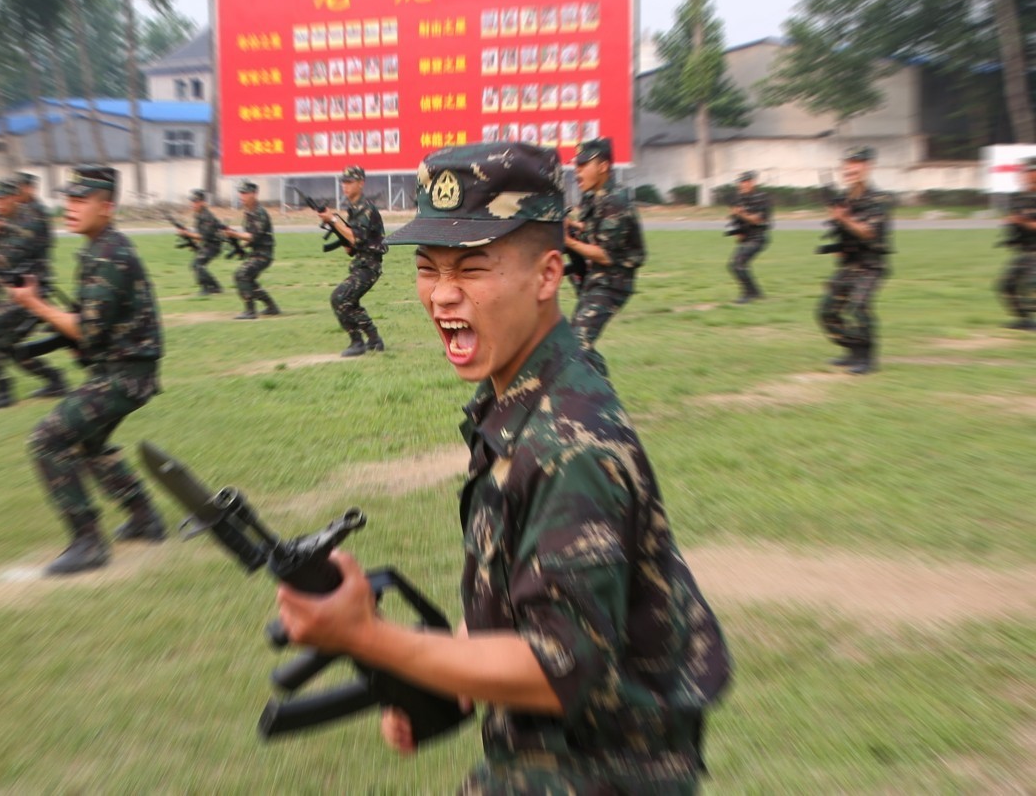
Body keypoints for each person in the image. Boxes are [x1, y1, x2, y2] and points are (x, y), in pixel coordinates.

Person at [276, 142, 731, 793]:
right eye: (428, 268)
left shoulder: (571, 442)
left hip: (601, 770)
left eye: (473, 268)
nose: (442, 294)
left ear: (548, 276)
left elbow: (556, 667)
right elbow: (528, 597)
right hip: (547, 753)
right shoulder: (523, 397)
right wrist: (447, 675)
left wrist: (370, 637)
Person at [6, 165, 167, 575]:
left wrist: (34, 305)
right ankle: (145, 518)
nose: (71, 208)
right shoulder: (100, 249)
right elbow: (89, 327)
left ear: (107, 208)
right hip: (122, 371)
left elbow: (88, 331)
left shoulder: (109, 255)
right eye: (69, 200)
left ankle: (88, 541)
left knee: (47, 440)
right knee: (89, 444)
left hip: (124, 375)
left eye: (81, 201)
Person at [0, 178, 67, 410]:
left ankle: (2, 392)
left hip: (32, 293)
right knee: (10, 347)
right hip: (18, 292)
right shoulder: (8, 221)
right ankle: (55, 380)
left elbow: (6, 257)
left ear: (15, 197)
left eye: (0, 199)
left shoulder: (28, 221)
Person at [564, 137, 645, 356]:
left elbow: (606, 255)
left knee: (577, 344)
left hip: (612, 282)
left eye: (583, 166)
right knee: (576, 342)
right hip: (595, 278)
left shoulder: (615, 201)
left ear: (603, 166)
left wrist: (569, 241)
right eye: (576, 166)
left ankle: (591, 389)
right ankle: (598, 387)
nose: (577, 172)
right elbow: (590, 227)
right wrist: (572, 225)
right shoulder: (594, 196)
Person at [817, 145, 892, 374]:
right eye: (847, 164)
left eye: (856, 163)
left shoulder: (878, 198)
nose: (851, 168)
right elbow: (838, 228)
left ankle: (867, 358)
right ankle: (852, 349)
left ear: (868, 167)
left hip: (870, 265)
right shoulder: (842, 199)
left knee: (859, 307)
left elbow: (869, 232)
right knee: (827, 312)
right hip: (848, 265)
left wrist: (844, 219)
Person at [321, 165, 387, 356]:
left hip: (369, 265)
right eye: (343, 182)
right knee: (350, 301)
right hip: (361, 264)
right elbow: (350, 248)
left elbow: (356, 239)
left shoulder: (365, 208)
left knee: (339, 298)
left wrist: (334, 221)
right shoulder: (354, 209)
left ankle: (357, 342)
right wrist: (335, 227)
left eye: (349, 182)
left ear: (361, 183)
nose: (345, 186)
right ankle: (374, 340)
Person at [227, 180, 280, 319]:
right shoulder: (248, 212)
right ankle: (271, 306)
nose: (241, 196)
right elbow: (248, 238)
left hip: (263, 254)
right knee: (248, 280)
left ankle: (250, 310)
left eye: (245, 193)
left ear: (254, 194)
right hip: (256, 253)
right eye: (240, 193)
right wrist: (236, 243)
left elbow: (252, 236)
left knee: (241, 275)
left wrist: (234, 234)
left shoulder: (259, 212)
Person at [997, 156, 1036, 331]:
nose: (1025, 175)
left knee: (1031, 285)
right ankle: (1025, 321)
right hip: (1025, 251)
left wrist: (1022, 222)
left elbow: (1026, 222)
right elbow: (1015, 219)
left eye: (1028, 171)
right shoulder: (1020, 197)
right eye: (1024, 172)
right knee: (1007, 285)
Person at [726, 170, 772, 303]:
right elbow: (735, 219)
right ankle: (755, 292)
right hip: (746, 237)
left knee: (739, 263)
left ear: (752, 182)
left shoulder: (762, 198)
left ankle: (749, 294)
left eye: (745, 182)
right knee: (734, 265)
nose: (742, 185)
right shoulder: (738, 199)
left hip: (758, 237)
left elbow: (758, 220)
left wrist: (742, 214)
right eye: (740, 182)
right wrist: (737, 231)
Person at [176, 189, 224, 295]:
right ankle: (215, 287)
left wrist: (187, 234)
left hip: (213, 245)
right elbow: (199, 234)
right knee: (196, 265)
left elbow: (203, 236)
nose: (193, 204)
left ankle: (208, 288)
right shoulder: (198, 215)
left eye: (196, 201)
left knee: (197, 265)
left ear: (202, 202)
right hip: (207, 244)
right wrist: (190, 239)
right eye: (192, 201)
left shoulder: (207, 216)